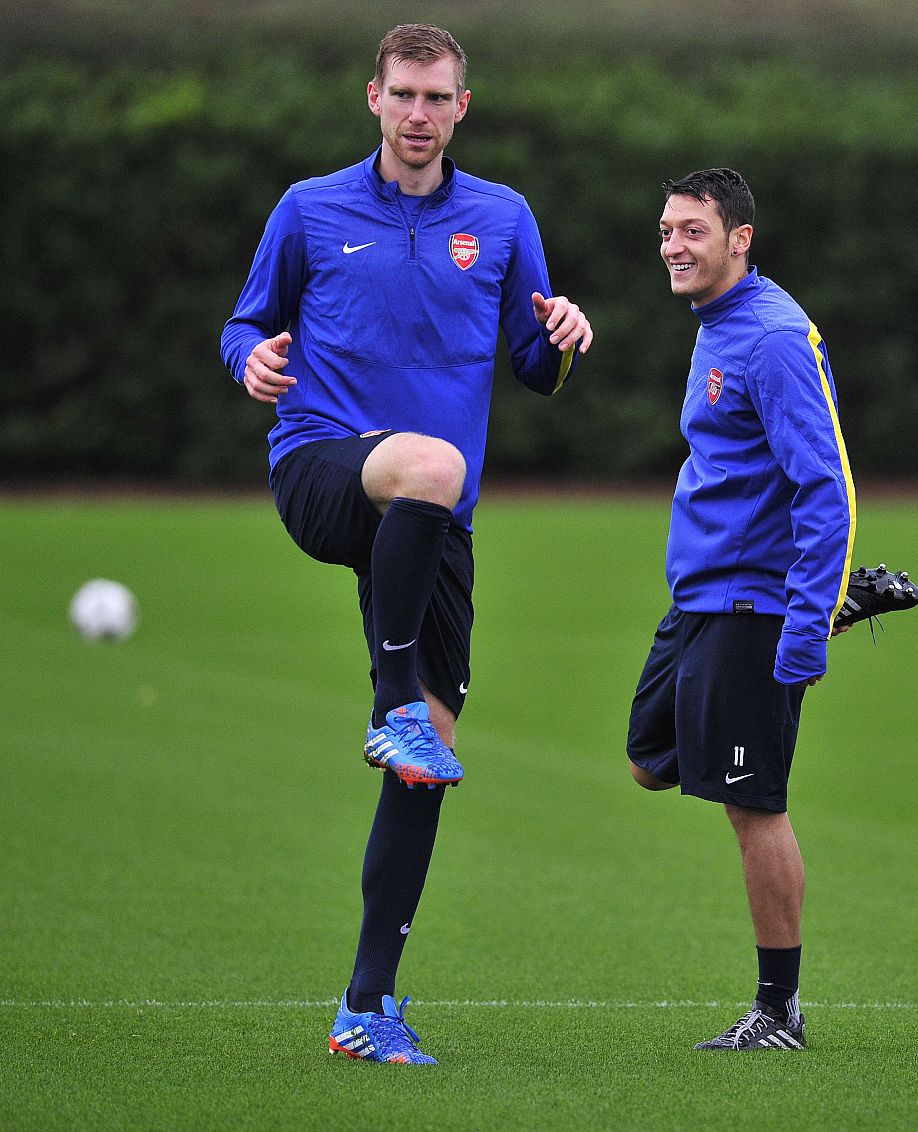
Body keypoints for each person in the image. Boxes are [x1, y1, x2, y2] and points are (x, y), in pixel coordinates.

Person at [219, 23, 592, 1066]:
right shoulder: (308, 209)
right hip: (325, 467)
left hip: (430, 530)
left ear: (462, 106)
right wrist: (250, 360)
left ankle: (364, 1009)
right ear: (372, 99)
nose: (419, 114)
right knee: (432, 465)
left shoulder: (504, 219)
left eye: (437, 97)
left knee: (427, 769)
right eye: (404, 95)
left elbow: (532, 365)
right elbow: (243, 325)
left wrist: (563, 341)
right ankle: (392, 704)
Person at [626, 168, 856, 1051]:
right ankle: (818, 606)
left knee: (753, 802)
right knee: (650, 759)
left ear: (740, 238)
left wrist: (804, 623)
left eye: (694, 230)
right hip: (700, 602)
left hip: (751, 609)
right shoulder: (718, 323)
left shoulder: (770, 337)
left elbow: (824, 485)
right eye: (667, 230)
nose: (675, 246)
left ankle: (778, 1011)